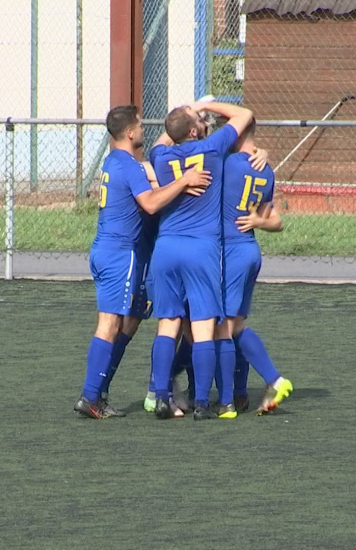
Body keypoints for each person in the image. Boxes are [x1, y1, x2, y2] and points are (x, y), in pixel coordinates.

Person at [74, 105, 211, 419]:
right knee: (109, 325)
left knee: (130, 322)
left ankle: (100, 390)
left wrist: (181, 117)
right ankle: (90, 396)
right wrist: (183, 181)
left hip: (110, 251)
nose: (144, 129)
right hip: (121, 254)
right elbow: (149, 203)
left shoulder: (116, 161)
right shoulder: (131, 167)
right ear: (130, 132)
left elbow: (158, 152)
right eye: (140, 125)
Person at [147, 100, 254, 420]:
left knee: (168, 324)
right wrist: (206, 104)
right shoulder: (212, 148)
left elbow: (164, 138)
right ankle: (203, 404)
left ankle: (162, 396)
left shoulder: (161, 155)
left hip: (165, 249)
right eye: (198, 119)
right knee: (205, 326)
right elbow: (244, 115)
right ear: (195, 130)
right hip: (201, 249)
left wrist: (182, 119)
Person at [218, 118, 293, 415]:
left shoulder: (227, 164)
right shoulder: (265, 169)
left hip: (232, 253)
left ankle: (273, 379)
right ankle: (239, 394)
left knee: (229, 327)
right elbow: (276, 221)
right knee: (233, 324)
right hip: (249, 251)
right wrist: (259, 221)